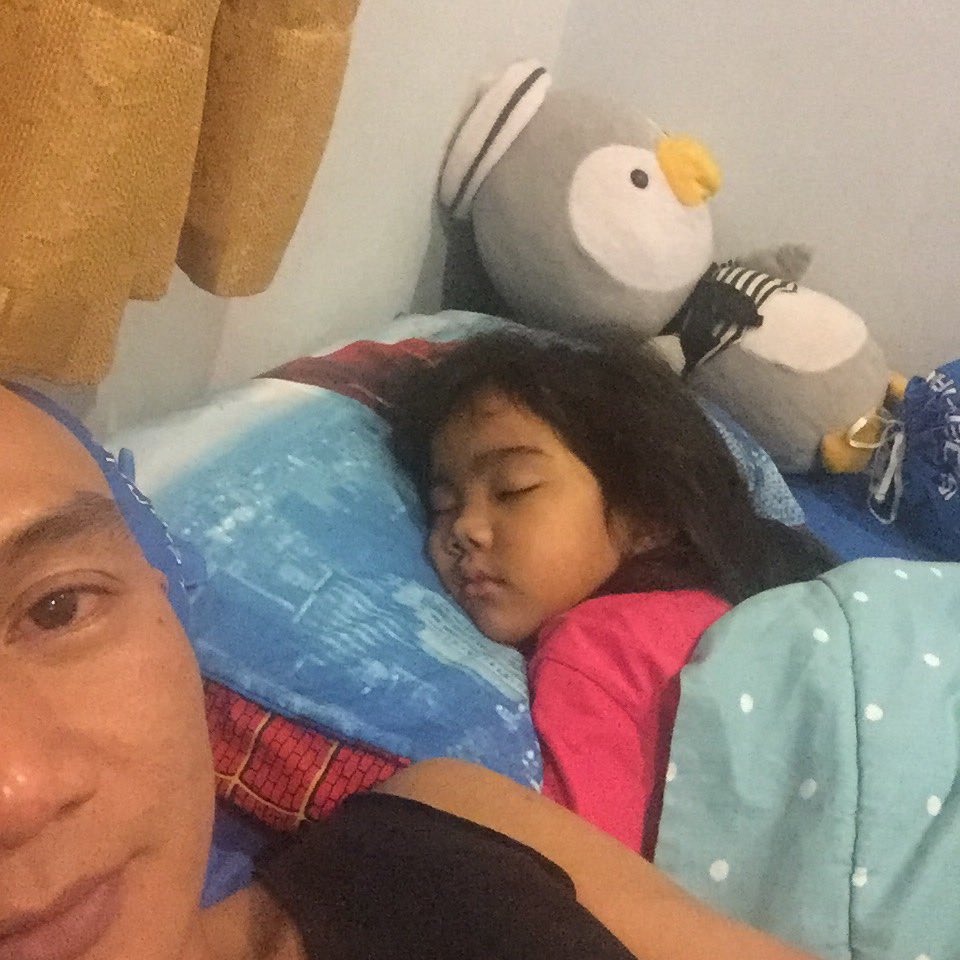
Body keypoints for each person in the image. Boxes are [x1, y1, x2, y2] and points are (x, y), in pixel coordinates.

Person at [0, 381, 822, 960]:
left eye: (56, 607)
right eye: (442, 506)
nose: (18, 792)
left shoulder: (453, 818)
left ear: (165, 599)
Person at [389, 326, 834, 855]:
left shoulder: (598, 647)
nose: (465, 527)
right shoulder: (732, 606)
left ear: (645, 516)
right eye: (443, 506)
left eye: (513, 489)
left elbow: (579, 875)